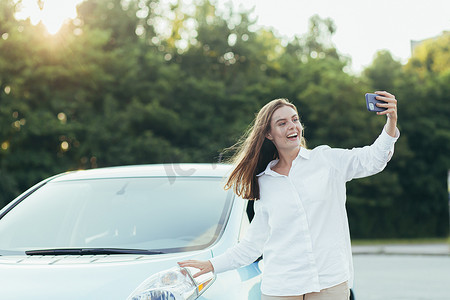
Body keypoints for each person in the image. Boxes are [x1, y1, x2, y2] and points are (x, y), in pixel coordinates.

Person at [178, 91, 399, 299]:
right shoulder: (263, 182)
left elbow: (373, 159)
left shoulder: (326, 161)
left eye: (294, 120)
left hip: (329, 283)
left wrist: (391, 122)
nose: (292, 126)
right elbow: (252, 245)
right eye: (282, 123)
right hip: (281, 287)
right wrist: (212, 265)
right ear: (268, 134)